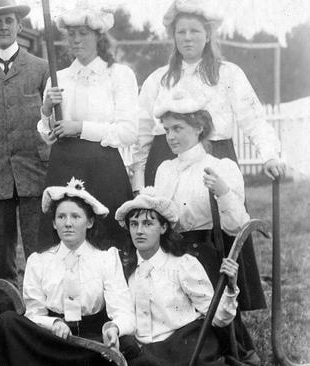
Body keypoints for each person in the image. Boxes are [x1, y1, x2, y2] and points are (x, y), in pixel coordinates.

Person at [151, 88, 259, 363]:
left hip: (206, 251)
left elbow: (238, 227)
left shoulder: (219, 167)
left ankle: (225, 348)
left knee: (204, 292)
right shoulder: (165, 169)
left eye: (178, 128)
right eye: (167, 130)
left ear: (199, 127)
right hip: (169, 249)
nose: (171, 136)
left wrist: (223, 191)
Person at [131, 0, 285, 191]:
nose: (187, 37)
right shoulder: (158, 79)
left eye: (194, 31)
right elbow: (142, 132)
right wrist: (139, 180)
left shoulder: (229, 74)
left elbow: (253, 119)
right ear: (174, 36)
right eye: (181, 32)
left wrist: (269, 155)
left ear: (208, 35)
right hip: (166, 159)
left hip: (216, 159)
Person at [0, 178, 141, 366]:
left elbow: (124, 312)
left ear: (90, 222)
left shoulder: (106, 259)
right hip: (51, 341)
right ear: (53, 223)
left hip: (90, 341)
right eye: (61, 217)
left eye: (76, 217)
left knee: (128, 346)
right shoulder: (39, 261)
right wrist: (53, 324)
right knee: (6, 321)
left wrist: (113, 327)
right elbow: (34, 312)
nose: (68, 223)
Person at [37, 3, 138, 255]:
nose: (76, 39)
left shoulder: (119, 75)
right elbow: (49, 136)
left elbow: (128, 132)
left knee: (107, 244)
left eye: (83, 33)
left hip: (103, 168)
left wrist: (80, 128)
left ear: (98, 36)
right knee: (63, 241)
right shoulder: (57, 79)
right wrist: (47, 109)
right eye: (71, 34)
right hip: (64, 167)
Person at [0, 0, 49, 286]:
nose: (3, 26)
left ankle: (41, 307)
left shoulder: (41, 69)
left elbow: (49, 120)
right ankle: (6, 308)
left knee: (39, 248)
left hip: (33, 169)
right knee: (2, 254)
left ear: (20, 25)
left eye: (9, 21)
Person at [116, 188, 240, 365]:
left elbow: (218, 317)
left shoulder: (182, 265)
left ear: (163, 227)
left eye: (148, 223)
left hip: (183, 345)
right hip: (143, 349)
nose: (139, 231)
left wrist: (230, 288)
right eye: (134, 224)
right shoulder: (124, 266)